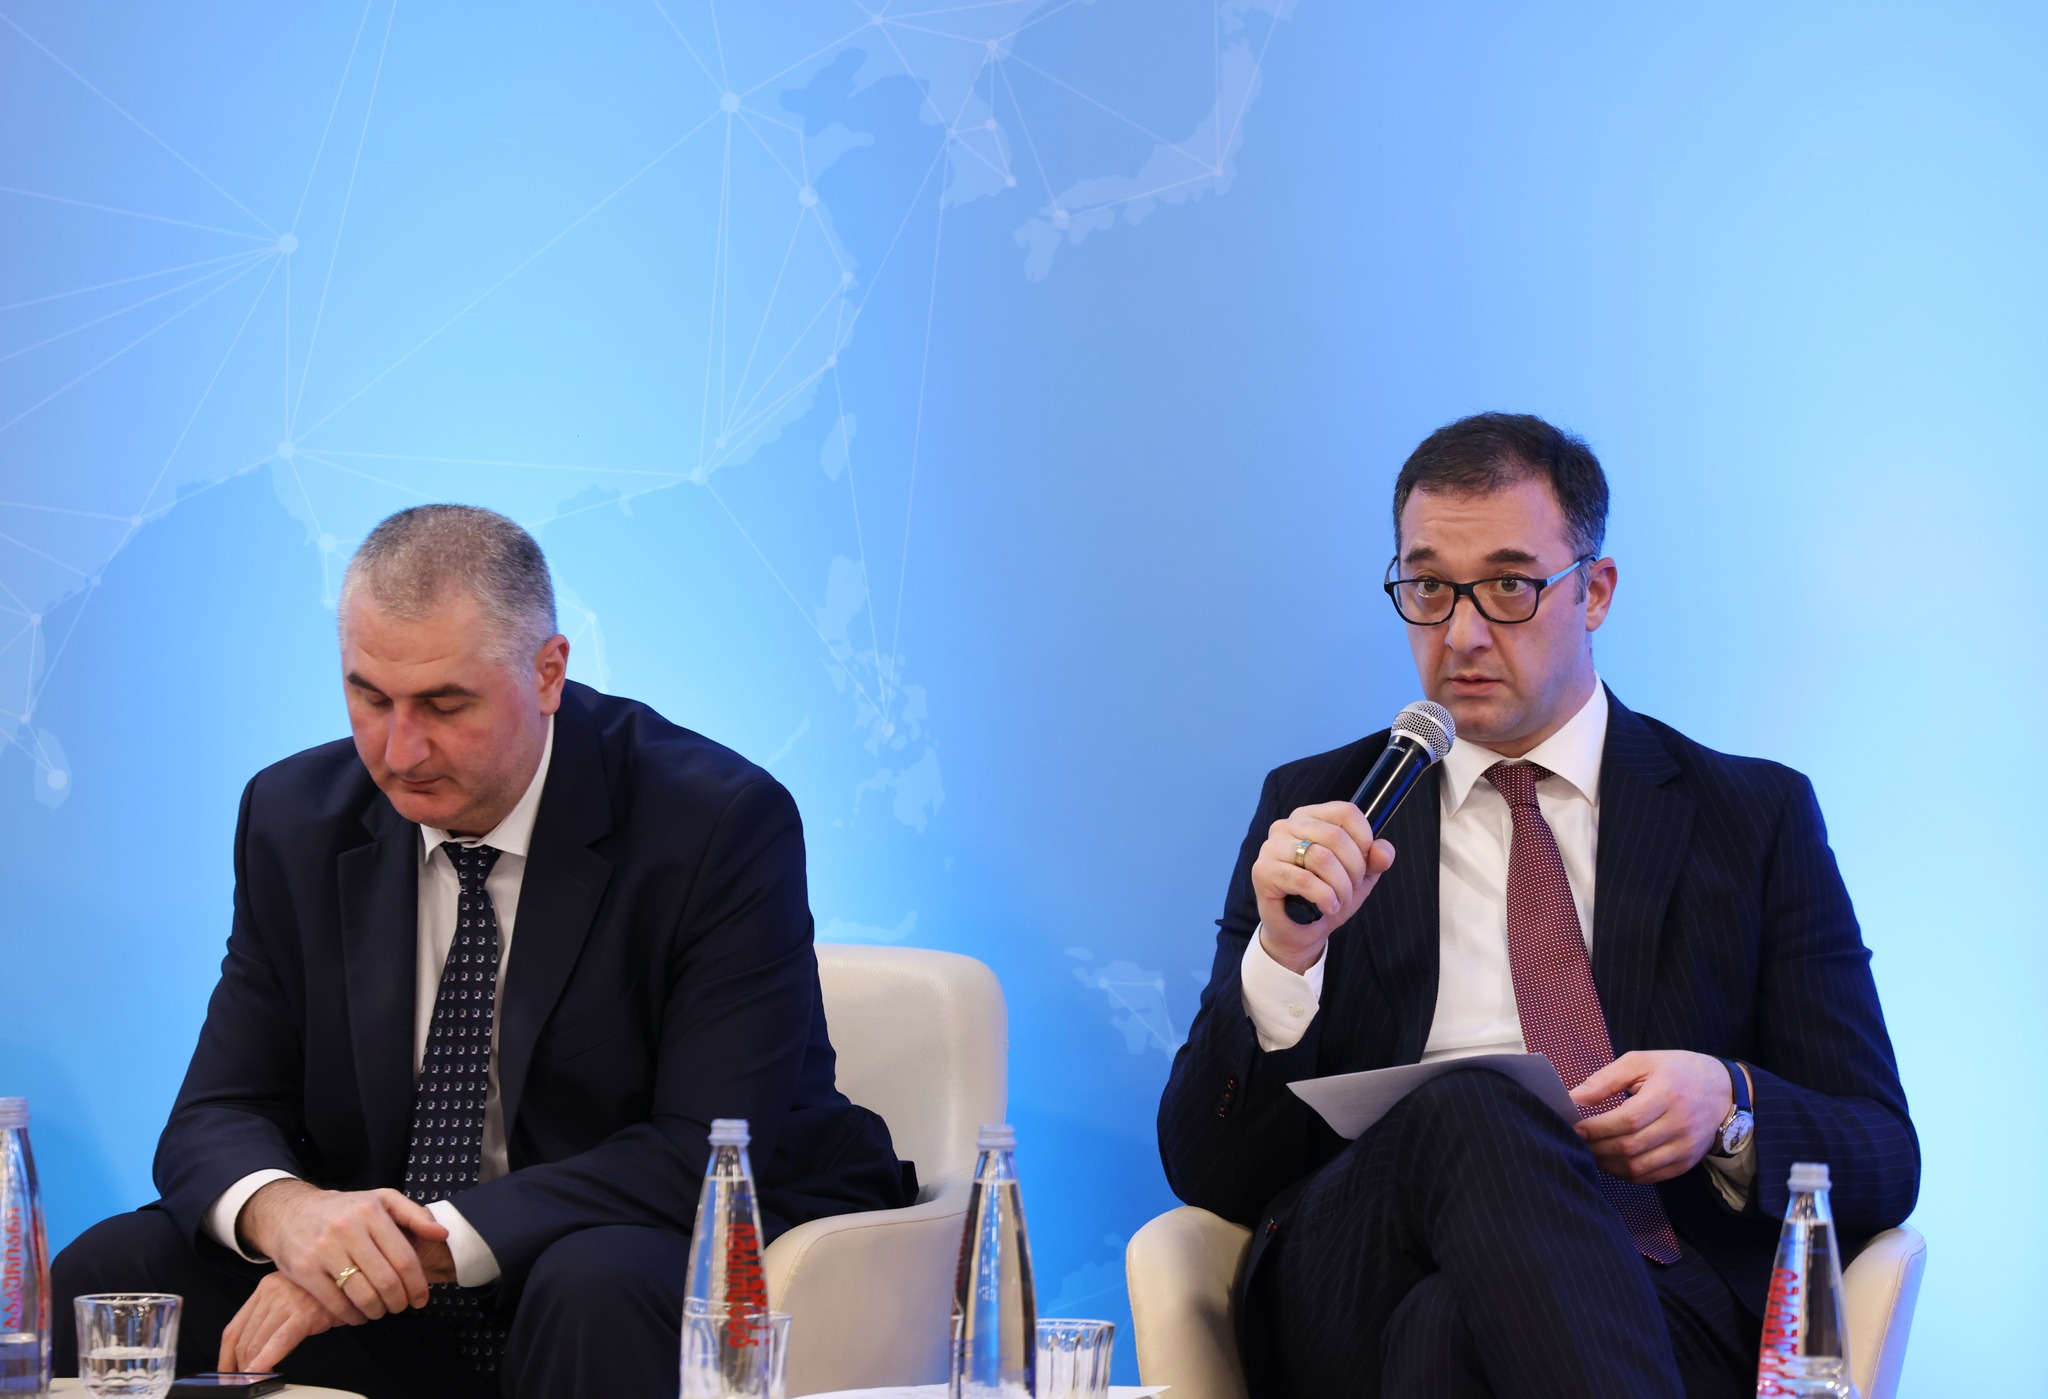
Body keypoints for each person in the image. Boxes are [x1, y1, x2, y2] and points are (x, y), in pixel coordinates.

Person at [53, 505, 911, 1398]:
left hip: (623, 1247)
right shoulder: (294, 817)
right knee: (114, 1267)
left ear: (548, 673)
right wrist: (291, 1215)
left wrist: (427, 1244)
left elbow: (705, 1147)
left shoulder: (715, 824)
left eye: (444, 704)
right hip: (398, 1297)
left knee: (592, 1284)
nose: (399, 749)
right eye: (369, 696)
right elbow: (216, 1110)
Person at [1157, 414, 1917, 1399]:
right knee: (1474, 1104)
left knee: (1447, 1336)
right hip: (1354, 1275)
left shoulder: (1750, 818)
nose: (1460, 634)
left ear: (1593, 591)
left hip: (1651, 1298)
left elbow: (1882, 1154)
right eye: (1428, 588)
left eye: (1509, 587)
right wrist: (1282, 956)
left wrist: (1727, 1106)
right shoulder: (1322, 814)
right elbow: (1208, 1167)